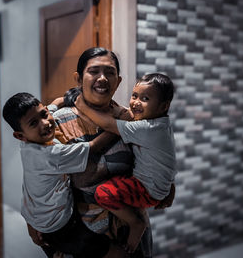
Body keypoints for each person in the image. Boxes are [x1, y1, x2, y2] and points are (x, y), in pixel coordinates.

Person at [27, 47, 175, 258]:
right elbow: (37, 170)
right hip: (84, 237)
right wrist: (32, 217)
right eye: (94, 71)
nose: (102, 78)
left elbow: (157, 155)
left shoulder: (134, 118)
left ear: (119, 80)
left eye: (110, 72)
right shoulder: (57, 122)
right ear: (78, 78)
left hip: (129, 236)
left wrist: (169, 184)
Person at [2, 92, 126, 258]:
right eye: (33, 123)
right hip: (59, 227)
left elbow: (55, 103)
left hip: (39, 217)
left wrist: (64, 99)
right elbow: (94, 146)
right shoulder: (50, 155)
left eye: (44, 114)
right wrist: (120, 125)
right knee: (116, 253)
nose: (45, 123)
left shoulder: (29, 146)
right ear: (20, 136)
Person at [74, 73, 177, 253]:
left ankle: (135, 223)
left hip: (146, 189)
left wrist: (83, 106)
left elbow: (109, 125)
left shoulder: (147, 129)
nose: (136, 102)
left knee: (103, 193)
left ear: (164, 106)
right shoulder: (161, 125)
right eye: (134, 95)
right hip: (158, 187)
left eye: (145, 98)